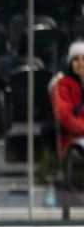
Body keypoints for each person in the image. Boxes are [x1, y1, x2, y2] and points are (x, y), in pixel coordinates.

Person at [49, 40, 84, 181]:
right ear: (70, 63)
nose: (81, 63)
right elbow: (64, 117)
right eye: (76, 59)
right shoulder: (62, 85)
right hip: (72, 138)